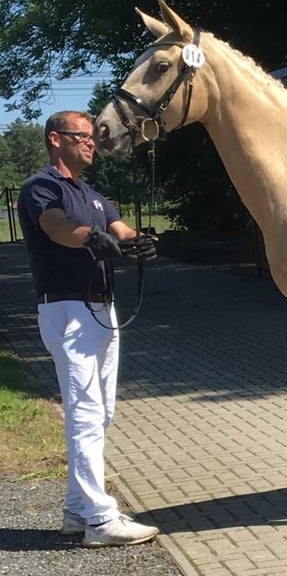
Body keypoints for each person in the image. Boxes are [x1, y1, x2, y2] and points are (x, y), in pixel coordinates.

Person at [16, 110, 159, 547]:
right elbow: (56, 226)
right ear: (55, 139)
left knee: (101, 412)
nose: (92, 142)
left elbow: (119, 228)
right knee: (85, 413)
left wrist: (138, 240)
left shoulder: (92, 195)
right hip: (68, 309)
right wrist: (88, 238)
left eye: (92, 136)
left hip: (101, 308)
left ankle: (77, 510)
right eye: (82, 136)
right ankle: (100, 520)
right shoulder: (42, 187)